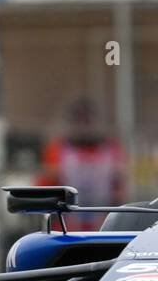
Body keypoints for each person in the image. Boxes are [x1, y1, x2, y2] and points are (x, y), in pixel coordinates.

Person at [38, 98, 127, 231]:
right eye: (79, 121)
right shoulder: (57, 149)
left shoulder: (111, 149)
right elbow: (47, 188)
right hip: (66, 225)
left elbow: (120, 187)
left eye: (87, 121)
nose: (84, 126)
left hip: (103, 223)